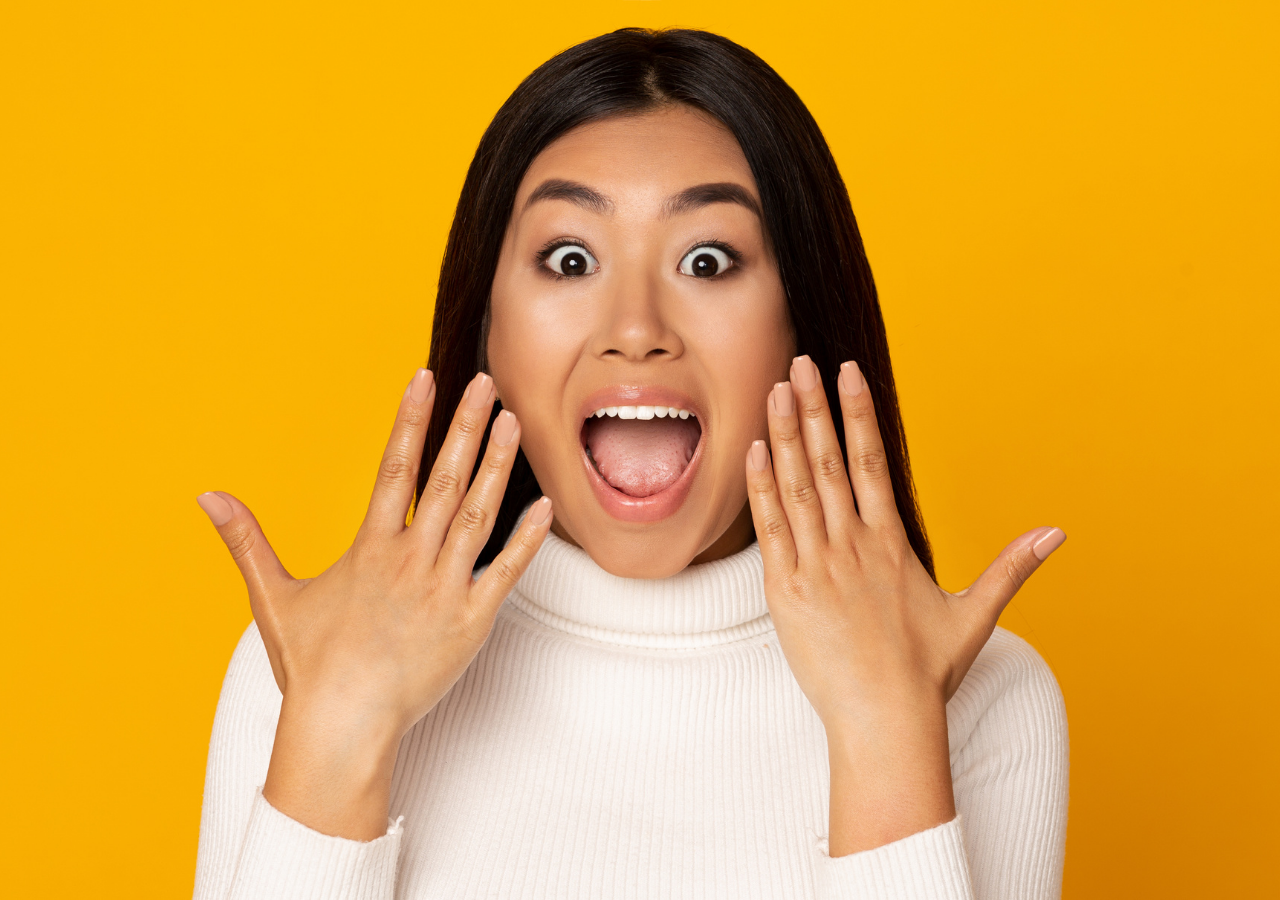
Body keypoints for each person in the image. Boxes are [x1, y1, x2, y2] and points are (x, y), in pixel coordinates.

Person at [191, 28, 1068, 900]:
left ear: (801, 320)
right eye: (570, 260)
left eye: (707, 260)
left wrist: (887, 730)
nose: (637, 327)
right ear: (488, 330)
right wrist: (339, 726)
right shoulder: (308, 666)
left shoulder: (978, 697)